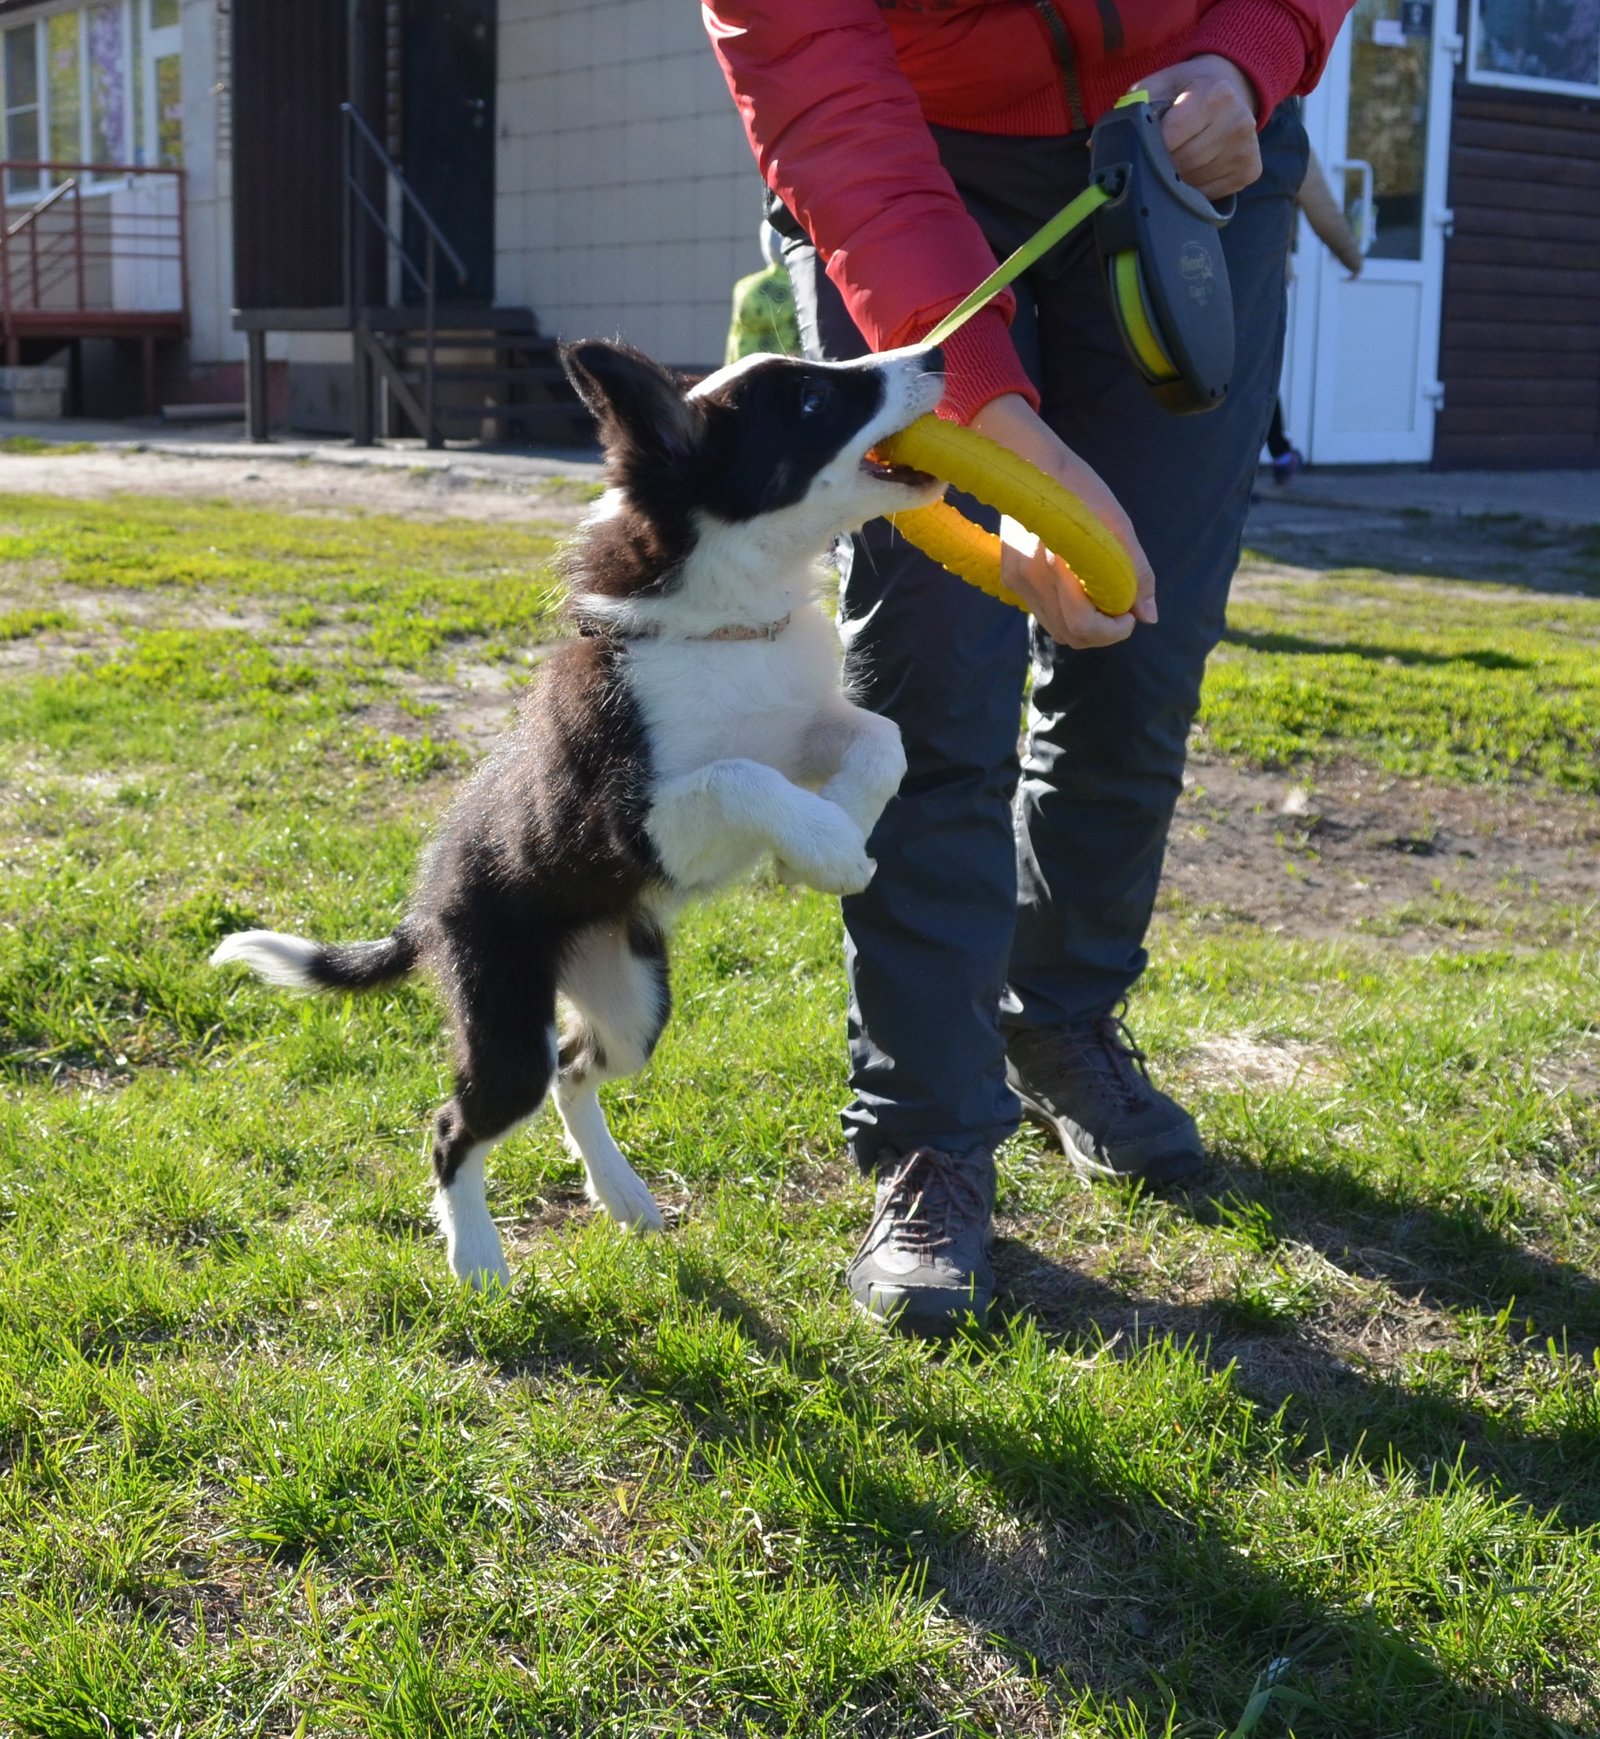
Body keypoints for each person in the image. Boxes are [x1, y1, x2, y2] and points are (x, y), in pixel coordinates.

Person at [703, 0, 1352, 1333]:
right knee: (932, 662)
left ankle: (1059, 1015)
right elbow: (821, 88)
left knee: (1140, 633)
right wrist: (992, 433)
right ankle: (930, 1133)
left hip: (1194, 144)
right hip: (919, 166)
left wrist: (1258, 49)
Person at [1268, 143, 1365, 482]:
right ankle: (1278, 455)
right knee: (1257, 375)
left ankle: (1276, 454)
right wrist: (1351, 258)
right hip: (1263, 279)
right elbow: (1322, 209)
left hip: (1197, 270)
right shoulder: (1285, 137)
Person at [725, 221, 801, 365]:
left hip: (746, 375)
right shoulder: (802, 288)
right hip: (787, 376)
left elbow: (735, 340)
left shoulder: (745, 287)